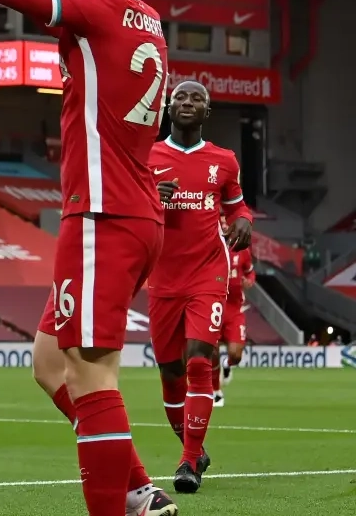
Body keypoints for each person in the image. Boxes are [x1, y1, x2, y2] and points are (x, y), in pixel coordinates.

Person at [0, 0, 177, 514]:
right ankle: (136, 488)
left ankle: (119, 501)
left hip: (103, 215)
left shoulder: (96, 7)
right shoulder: (139, 13)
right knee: (49, 364)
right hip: (130, 211)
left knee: (89, 373)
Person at [150, 80, 252, 492]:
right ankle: (194, 448)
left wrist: (244, 221)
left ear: (207, 112)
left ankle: (188, 463)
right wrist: (149, 196)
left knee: (197, 360)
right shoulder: (147, 157)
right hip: (161, 275)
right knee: (170, 370)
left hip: (208, 271)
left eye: (197, 98)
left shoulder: (224, 160)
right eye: (180, 97)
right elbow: (124, 205)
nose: (187, 102)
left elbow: (238, 206)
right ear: (168, 108)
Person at [215, 228, 254, 407]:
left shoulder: (242, 249)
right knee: (211, 352)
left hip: (235, 310)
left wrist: (249, 280)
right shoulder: (211, 246)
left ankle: (228, 364)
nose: (224, 223)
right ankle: (216, 392)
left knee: (236, 354)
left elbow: (250, 272)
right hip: (214, 306)